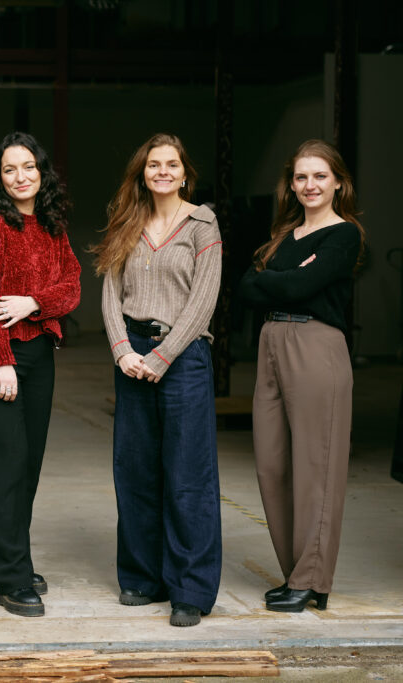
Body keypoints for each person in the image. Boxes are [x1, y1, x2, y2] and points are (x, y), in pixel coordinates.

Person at [90, 133, 222, 627]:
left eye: (171, 164)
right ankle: (143, 577)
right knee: (136, 473)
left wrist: (162, 356)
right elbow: (110, 291)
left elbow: (203, 299)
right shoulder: (128, 222)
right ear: (142, 173)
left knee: (188, 477)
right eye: (153, 165)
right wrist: (123, 350)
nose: (162, 171)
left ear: (184, 171)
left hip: (182, 357)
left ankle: (190, 588)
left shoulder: (202, 224)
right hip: (132, 356)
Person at [238, 139, 363, 613]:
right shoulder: (283, 236)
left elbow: (300, 285)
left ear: (337, 183)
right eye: (301, 177)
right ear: (291, 185)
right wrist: (281, 279)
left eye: (319, 176)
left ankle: (311, 578)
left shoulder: (343, 234)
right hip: (271, 343)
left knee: (317, 467)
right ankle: (296, 571)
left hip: (316, 347)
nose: (310, 185)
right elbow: (247, 287)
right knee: (272, 465)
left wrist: (276, 280)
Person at [0, 132, 81, 617]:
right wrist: (0, 361)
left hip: (40, 357)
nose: (20, 177)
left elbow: (72, 286)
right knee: (8, 464)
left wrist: (35, 302)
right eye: (10, 169)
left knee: (28, 465)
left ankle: (2, 559)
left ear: (42, 172)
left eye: (28, 167)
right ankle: (12, 578)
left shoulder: (52, 225)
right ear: (0, 177)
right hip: (0, 361)